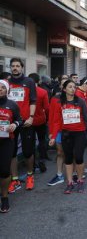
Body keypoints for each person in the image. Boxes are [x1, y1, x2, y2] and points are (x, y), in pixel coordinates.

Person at [48, 80, 87, 194]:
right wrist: (53, 136)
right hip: (66, 133)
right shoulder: (60, 102)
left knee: (78, 157)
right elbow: (56, 121)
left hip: (79, 133)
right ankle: (69, 182)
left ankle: (80, 180)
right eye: (70, 87)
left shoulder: (80, 101)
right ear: (64, 89)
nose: (73, 89)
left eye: (74, 87)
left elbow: (86, 118)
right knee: (68, 158)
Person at [8, 58, 37, 193]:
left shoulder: (29, 82)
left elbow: (33, 100)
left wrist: (31, 117)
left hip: (26, 122)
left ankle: (30, 175)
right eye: (13, 66)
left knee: (28, 151)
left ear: (22, 68)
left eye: (17, 66)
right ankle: (15, 179)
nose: (15, 68)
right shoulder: (6, 82)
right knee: (12, 152)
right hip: (11, 123)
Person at [0, 80, 23, 213]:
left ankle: (4, 197)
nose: (0, 89)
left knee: (4, 171)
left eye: (3, 87)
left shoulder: (12, 104)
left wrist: (15, 124)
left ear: (7, 90)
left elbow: (19, 119)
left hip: (6, 141)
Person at [28, 73, 50, 172]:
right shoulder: (43, 92)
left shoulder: (26, 92)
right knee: (41, 140)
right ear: (39, 81)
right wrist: (48, 119)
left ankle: (32, 164)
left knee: (31, 142)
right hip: (41, 120)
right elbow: (47, 108)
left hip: (29, 121)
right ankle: (42, 160)